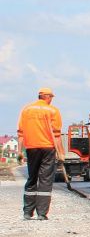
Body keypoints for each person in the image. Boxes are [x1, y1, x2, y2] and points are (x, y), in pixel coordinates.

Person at [17, 87, 62, 220]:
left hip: (31, 147)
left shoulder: (26, 110)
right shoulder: (53, 110)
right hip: (48, 148)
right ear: (47, 97)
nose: (51, 100)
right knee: (45, 180)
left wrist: (20, 152)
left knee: (32, 178)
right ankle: (42, 213)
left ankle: (27, 212)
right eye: (51, 98)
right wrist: (61, 153)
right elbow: (57, 135)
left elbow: (20, 133)